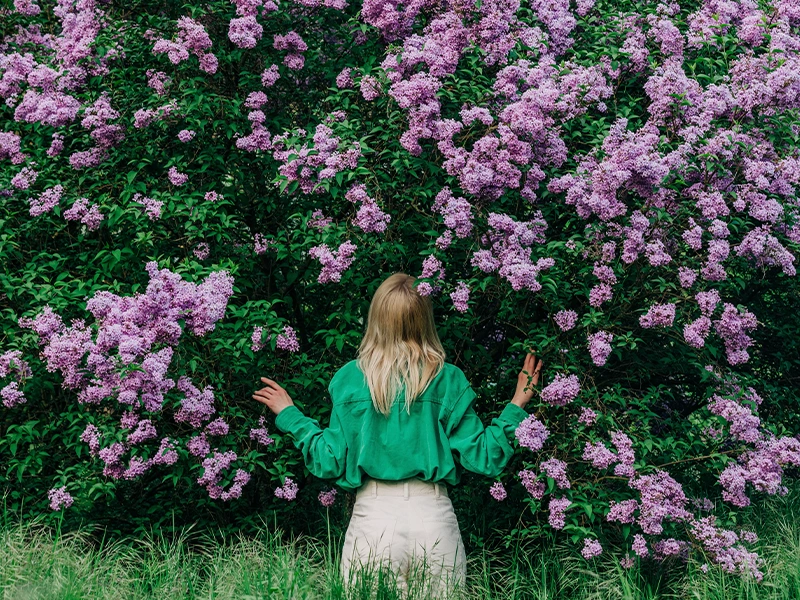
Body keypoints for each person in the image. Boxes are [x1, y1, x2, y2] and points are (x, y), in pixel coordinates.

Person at [252, 272, 543, 597]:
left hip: (373, 522)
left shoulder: (351, 380)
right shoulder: (447, 380)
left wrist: (291, 416)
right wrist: (517, 403)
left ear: (376, 318)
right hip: (432, 518)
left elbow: (328, 460)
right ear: (424, 320)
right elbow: (485, 456)